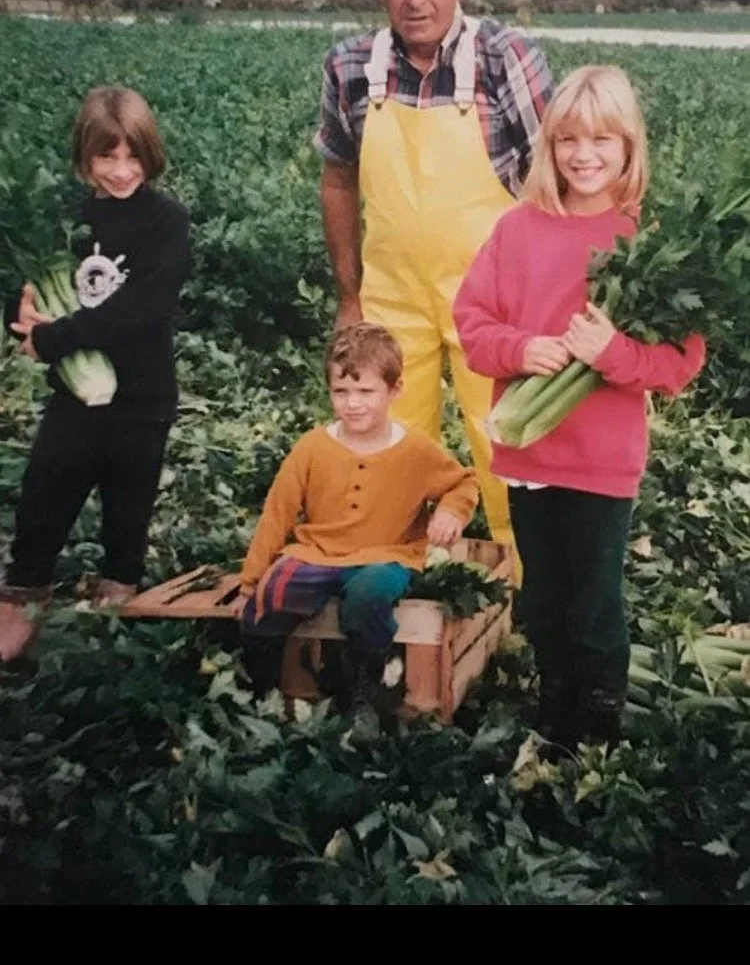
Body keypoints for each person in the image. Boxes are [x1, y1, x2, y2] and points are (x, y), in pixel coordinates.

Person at [453, 65, 706, 751]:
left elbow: (680, 363)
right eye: (568, 139)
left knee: (594, 602)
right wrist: (519, 349)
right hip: (529, 456)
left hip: (602, 461)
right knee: (542, 597)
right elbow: (470, 321)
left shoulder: (648, 239)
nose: (584, 154)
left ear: (630, 148)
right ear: (548, 146)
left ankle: (597, 727)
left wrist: (612, 352)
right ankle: (554, 704)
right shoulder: (519, 229)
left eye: (602, 139)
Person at [315, 0, 553, 560]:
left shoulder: (507, 60)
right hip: (394, 301)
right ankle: (395, 586)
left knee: (508, 446)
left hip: (498, 305)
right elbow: (338, 178)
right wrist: (349, 296)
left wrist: (554, 303)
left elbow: (553, 186)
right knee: (386, 452)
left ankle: (521, 594)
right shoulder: (351, 68)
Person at [0, 86, 190, 662]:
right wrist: (23, 315)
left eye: (132, 156)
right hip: (73, 394)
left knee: (127, 508)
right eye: (106, 157)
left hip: (144, 393)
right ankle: (21, 597)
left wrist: (55, 337)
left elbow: (142, 310)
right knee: (45, 491)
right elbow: (25, 285)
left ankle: (115, 600)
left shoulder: (166, 221)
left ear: (150, 155)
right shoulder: (68, 217)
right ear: (86, 158)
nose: (120, 170)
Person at [233, 322, 478, 735]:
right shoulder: (313, 447)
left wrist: (452, 510)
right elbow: (278, 513)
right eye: (341, 392)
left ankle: (367, 689)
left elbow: (463, 481)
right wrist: (249, 583)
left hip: (387, 553)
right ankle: (264, 692)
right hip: (318, 552)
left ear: (395, 390)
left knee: (368, 596)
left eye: (366, 392)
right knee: (273, 593)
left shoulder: (415, 449)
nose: (353, 404)